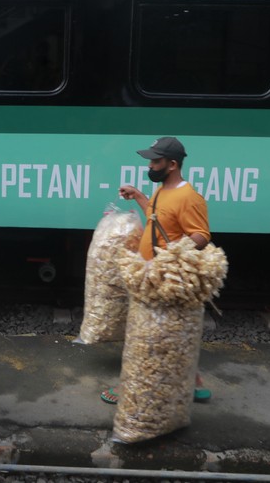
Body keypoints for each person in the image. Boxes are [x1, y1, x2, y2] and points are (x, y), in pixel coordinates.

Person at [101, 136, 212, 405]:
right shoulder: (164, 190)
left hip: (164, 278)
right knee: (171, 335)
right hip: (151, 275)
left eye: (156, 161)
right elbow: (155, 216)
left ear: (172, 164)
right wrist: (139, 196)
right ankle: (194, 382)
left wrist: (171, 258)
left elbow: (201, 235)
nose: (150, 165)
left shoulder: (189, 197)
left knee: (144, 336)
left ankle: (128, 386)